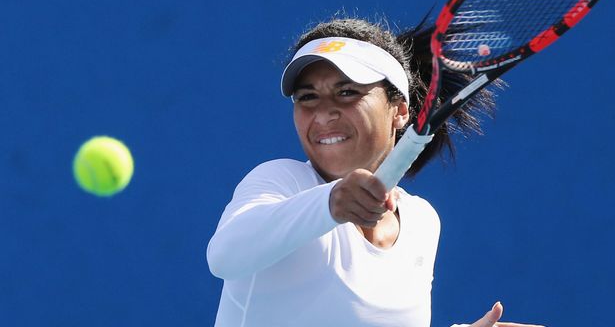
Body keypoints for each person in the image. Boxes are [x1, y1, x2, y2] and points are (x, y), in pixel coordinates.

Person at [207, 18, 542, 327]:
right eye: (307, 97)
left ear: (399, 111)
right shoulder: (282, 181)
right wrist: (331, 202)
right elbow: (224, 256)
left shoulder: (422, 221)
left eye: (347, 92)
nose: (323, 113)